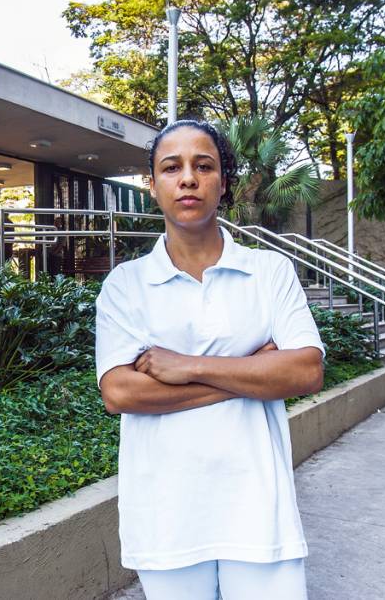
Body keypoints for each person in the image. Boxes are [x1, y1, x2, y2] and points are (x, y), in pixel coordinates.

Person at [95, 120, 325, 599]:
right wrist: (254, 371)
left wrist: (188, 366)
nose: (188, 179)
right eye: (171, 167)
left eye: (204, 166)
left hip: (260, 513)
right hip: (166, 519)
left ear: (224, 182)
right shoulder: (126, 285)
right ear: (153, 184)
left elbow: (304, 370)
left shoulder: (269, 271)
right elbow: (120, 392)